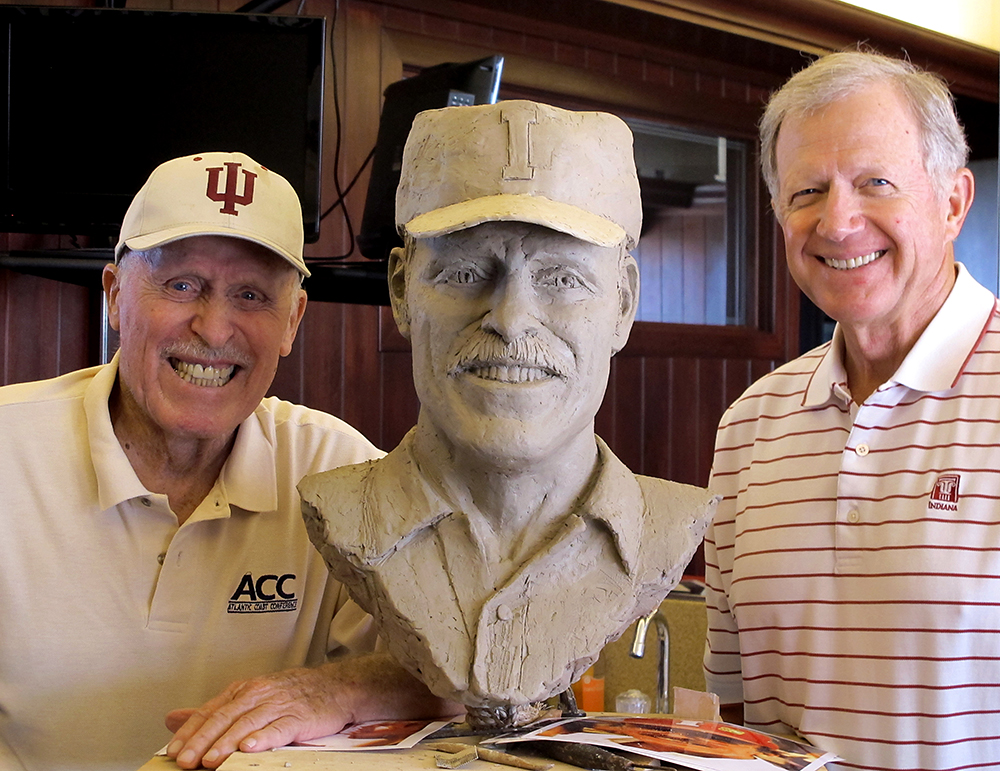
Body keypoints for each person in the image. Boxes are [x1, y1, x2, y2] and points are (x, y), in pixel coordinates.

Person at [0, 151, 451, 771]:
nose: (214, 329)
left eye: (250, 295)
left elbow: (460, 671)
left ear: (292, 321)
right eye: (182, 284)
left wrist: (332, 690)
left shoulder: (340, 473)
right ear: (114, 295)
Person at [299, 100, 718, 729]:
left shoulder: (671, 526)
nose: (511, 317)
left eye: (563, 279)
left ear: (624, 304)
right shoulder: (340, 511)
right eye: (465, 272)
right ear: (400, 292)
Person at [703, 50, 999, 770]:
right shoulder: (748, 426)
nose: (837, 222)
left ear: (953, 202)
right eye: (807, 191)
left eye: (876, 182)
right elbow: (740, 710)